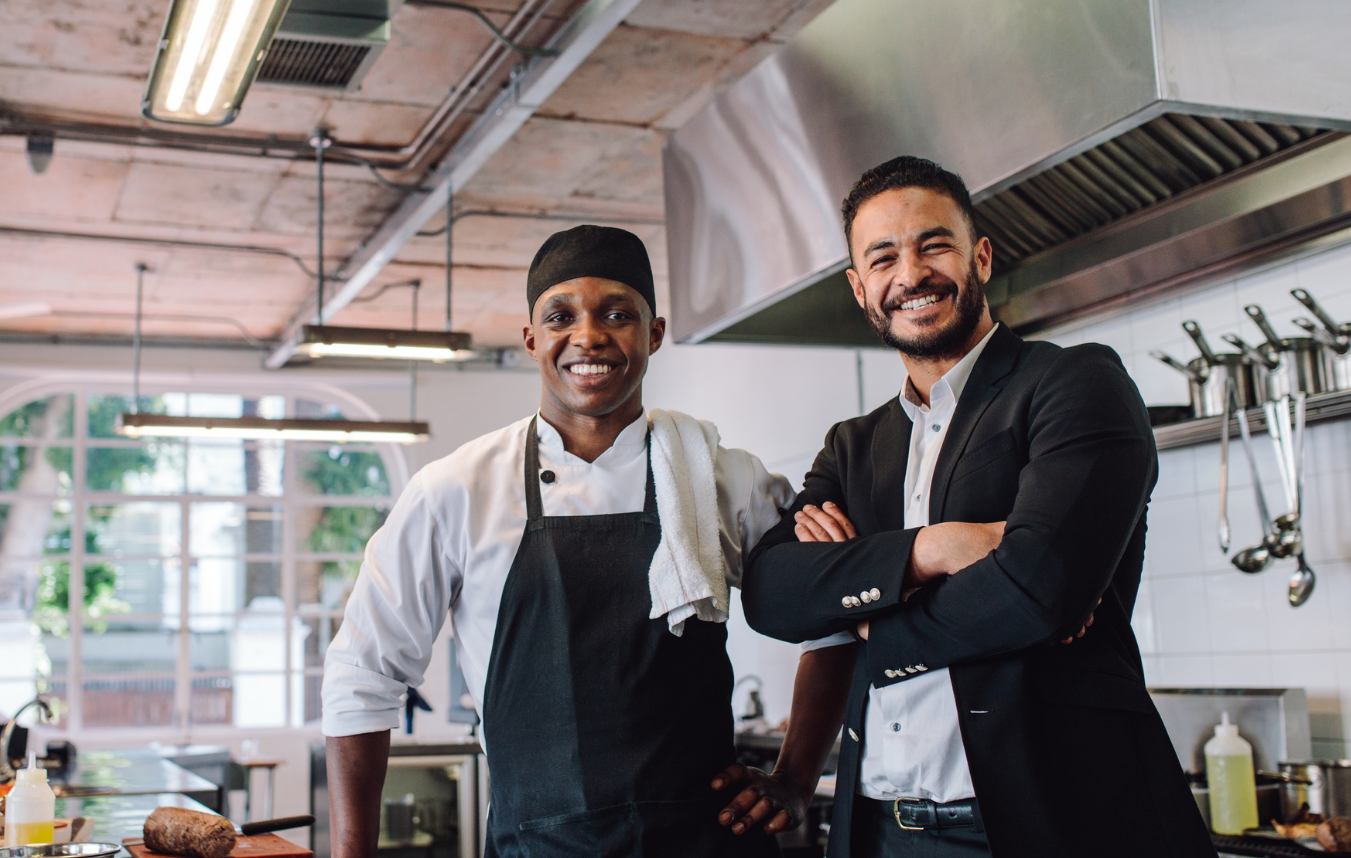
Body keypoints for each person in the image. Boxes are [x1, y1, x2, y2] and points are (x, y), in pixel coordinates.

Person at [320, 225, 856, 858]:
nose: (589, 336)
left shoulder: (722, 477)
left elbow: (833, 616)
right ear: (531, 339)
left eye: (618, 314)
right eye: (560, 316)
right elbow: (362, 675)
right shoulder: (456, 490)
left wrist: (795, 777)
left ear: (654, 334)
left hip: (707, 844)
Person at [741, 157, 1215, 858]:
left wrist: (868, 617)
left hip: (1054, 822)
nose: (911, 273)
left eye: (934, 244)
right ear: (859, 288)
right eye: (883, 257)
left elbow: (1037, 589)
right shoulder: (854, 445)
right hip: (876, 831)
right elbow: (771, 591)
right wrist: (927, 551)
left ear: (981, 257)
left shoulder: (1073, 384)